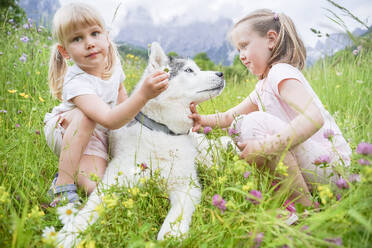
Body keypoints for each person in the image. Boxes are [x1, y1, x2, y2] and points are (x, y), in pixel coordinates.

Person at [189, 9, 351, 206]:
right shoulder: (263, 86)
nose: (241, 56)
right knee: (243, 125)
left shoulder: (280, 73)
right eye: (238, 50)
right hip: (316, 169)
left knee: (254, 123)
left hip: (335, 170)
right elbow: (228, 117)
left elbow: (313, 116)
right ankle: (291, 202)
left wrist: (268, 146)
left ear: (271, 40)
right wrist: (202, 120)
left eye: (244, 46)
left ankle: (303, 210)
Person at [44, 3, 169, 206]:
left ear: (107, 37)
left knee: (97, 185)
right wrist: (144, 94)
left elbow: (122, 99)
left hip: (99, 132)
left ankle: (80, 167)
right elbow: (111, 120)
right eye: (77, 38)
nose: (89, 43)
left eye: (95, 33)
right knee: (87, 118)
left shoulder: (113, 67)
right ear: (64, 51)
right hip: (68, 130)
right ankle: (61, 186)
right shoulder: (77, 82)